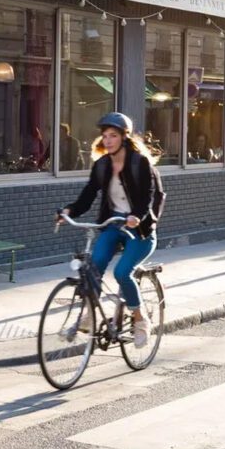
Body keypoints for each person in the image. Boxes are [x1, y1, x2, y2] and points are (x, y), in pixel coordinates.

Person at [56, 112, 165, 348]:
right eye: (104, 136)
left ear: (124, 137)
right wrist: (69, 211)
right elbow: (88, 195)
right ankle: (89, 315)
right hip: (114, 224)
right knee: (93, 266)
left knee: (122, 273)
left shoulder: (139, 163)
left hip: (141, 231)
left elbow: (147, 197)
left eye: (113, 136)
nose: (107, 140)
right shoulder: (102, 165)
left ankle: (140, 319)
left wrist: (137, 216)